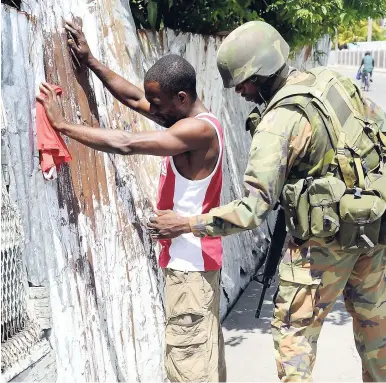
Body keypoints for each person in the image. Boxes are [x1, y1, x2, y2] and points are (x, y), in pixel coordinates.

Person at [149, 21, 386, 382]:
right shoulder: (334, 81)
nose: (240, 92)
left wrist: (186, 223)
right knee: (377, 339)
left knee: (294, 343)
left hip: (321, 250)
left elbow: (252, 210)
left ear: (261, 73)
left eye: (243, 82)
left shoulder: (279, 121)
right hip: (373, 232)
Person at [37, 19, 226, 383]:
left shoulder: (197, 130)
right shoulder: (190, 119)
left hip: (191, 273)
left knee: (189, 370)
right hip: (195, 267)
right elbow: (131, 96)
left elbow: (127, 143)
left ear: (181, 99)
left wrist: (63, 127)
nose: (151, 109)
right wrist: (91, 60)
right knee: (204, 363)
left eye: (158, 103)